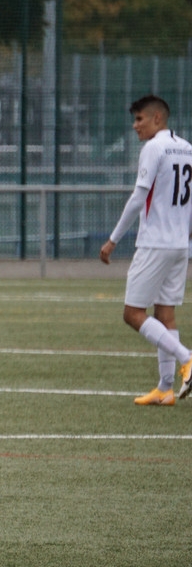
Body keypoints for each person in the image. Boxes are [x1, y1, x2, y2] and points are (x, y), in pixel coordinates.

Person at [99, 95, 192, 406]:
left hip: (154, 243)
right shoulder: (187, 147)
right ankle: (165, 388)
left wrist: (113, 239)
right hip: (180, 244)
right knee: (165, 313)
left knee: (132, 313)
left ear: (157, 119)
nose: (135, 125)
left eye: (139, 119)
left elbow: (139, 197)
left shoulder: (154, 148)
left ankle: (186, 357)